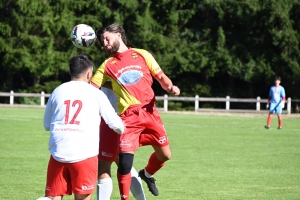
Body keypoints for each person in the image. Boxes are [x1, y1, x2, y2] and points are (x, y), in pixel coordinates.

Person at [91, 23, 180, 200]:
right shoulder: (107, 65)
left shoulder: (142, 54)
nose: (105, 44)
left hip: (150, 112)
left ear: (118, 35)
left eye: (107, 39)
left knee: (165, 155)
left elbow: (160, 76)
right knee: (124, 164)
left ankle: (147, 174)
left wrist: (169, 86)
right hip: (128, 117)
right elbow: (91, 88)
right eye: (102, 42)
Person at [39, 53, 125, 200]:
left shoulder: (57, 91)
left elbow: (47, 125)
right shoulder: (95, 93)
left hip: (58, 152)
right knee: (83, 197)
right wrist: (123, 128)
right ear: (89, 73)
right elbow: (116, 124)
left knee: (53, 197)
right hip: (84, 155)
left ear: (70, 72)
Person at [97, 84, 146, 200]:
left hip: (113, 116)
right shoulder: (133, 66)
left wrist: (95, 81)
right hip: (126, 116)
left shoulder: (109, 67)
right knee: (123, 162)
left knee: (104, 164)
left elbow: (121, 85)